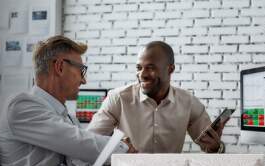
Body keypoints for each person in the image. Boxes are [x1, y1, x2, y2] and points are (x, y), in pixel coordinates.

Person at [0, 35, 135, 166]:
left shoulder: (66, 117)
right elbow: (78, 142)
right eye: (81, 70)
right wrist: (122, 149)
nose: (84, 80)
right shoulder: (21, 106)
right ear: (60, 66)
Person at [88, 41, 228, 153]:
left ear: (170, 69)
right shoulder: (118, 98)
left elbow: (211, 148)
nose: (142, 74)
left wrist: (215, 147)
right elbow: (89, 142)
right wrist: (117, 149)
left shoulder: (188, 102)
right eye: (139, 68)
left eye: (150, 67)